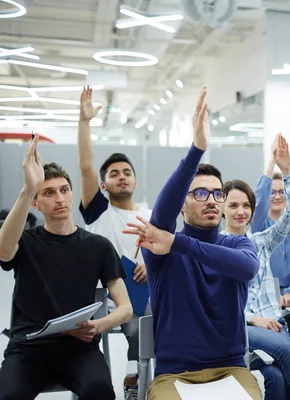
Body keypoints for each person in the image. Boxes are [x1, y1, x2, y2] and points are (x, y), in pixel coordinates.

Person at [122, 86, 262, 400]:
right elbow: (161, 215)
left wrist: (179, 244)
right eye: (199, 193)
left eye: (217, 193)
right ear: (183, 204)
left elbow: (247, 269)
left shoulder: (238, 246)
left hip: (231, 369)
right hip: (174, 374)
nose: (210, 200)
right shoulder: (160, 248)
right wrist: (197, 149)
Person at [0, 135, 133, 400]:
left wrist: (99, 325)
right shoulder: (25, 241)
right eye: (49, 193)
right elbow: (4, 250)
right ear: (36, 203)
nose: (59, 198)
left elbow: (126, 309)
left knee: (101, 392)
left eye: (64, 190)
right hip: (28, 348)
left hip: (79, 349)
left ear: (72, 193)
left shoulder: (99, 246)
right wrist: (28, 188)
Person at [222, 133, 290, 400]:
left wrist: (286, 171)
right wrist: (254, 319)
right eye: (233, 205)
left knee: (276, 377)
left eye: (245, 206)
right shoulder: (215, 251)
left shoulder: (261, 241)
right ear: (221, 209)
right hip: (242, 330)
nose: (241, 211)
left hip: (274, 327)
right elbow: (219, 306)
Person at [77, 86, 151, 399]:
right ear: (104, 184)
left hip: (148, 296)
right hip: (110, 300)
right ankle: (132, 382)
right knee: (135, 329)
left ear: (135, 180)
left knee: (164, 323)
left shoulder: (150, 215)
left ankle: (161, 380)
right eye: (115, 173)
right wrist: (84, 123)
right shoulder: (99, 213)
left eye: (127, 172)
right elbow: (85, 167)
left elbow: (166, 252)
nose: (122, 177)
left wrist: (151, 261)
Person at [249, 135, 290, 353]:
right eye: (272, 192)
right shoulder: (258, 227)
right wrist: (272, 163)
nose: (276, 196)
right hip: (265, 294)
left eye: (281, 192)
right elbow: (259, 200)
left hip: (289, 293)